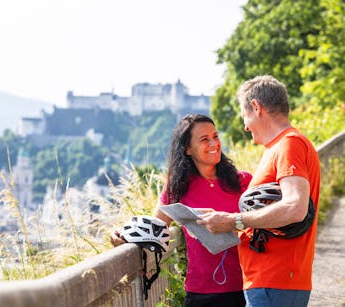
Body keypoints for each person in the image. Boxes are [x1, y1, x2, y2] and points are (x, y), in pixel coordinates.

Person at [197, 75, 321, 306]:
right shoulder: (278, 147)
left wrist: (235, 221)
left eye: (245, 116)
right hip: (269, 282)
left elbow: (295, 208)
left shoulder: (289, 144)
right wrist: (220, 223)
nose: (245, 126)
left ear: (256, 107)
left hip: (277, 282)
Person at [111, 114, 252, 307]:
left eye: (216, 136)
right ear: (187, 149)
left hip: (246, 288)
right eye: (204, 139)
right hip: (200, 292)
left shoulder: (244, 182)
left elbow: (265, 226)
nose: (214, 143)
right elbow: (156, 228)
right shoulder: (178, 186)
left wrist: (232, 225)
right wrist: (124, 237)